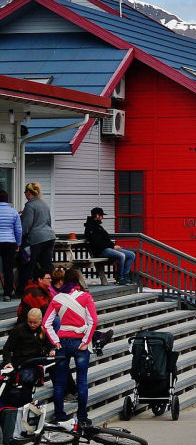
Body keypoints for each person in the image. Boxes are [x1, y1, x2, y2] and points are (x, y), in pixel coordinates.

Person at [43, 269, 98, 428]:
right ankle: (82, 417)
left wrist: (55, 341)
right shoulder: (86, 297)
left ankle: (59, 415)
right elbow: (93, 321)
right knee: (82, 381)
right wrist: (86, 340)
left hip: (62, 341)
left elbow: (46, 323)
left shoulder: (57, 298)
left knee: (59, 383)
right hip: (80, 341)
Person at [83, 207, 135, 285]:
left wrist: (114, 245)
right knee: (122, 255)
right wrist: (112, 247)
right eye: (101, 216)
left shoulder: (98, 226)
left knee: (131, 255)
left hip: (108, 248)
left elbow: (106, 240)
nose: (102, 217)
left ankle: (126, 276)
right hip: (100, 251)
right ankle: (120, 278)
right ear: (97, 216)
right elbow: (98, 243)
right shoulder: (90, 228)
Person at [20, 183, 55, 281]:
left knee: (30, 264)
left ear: (28, 192)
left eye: (25, 192)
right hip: (50, 236)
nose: (25, 194)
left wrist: (20, 238)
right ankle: (51, 287)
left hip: (37, 239)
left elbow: (26, 225)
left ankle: (27, 288)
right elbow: (49, 221)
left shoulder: (30, 205)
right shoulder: (44, 203)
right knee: (46, 264)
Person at [0, 191, 22, 301]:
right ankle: (7, 294)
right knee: (8, 269)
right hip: (9, 242)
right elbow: (18, 230)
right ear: (7, 199)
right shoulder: (13, 212)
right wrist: (18, 243)